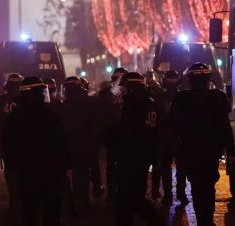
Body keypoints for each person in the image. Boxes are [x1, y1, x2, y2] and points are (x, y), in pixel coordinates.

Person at [169, 63, 234, 226]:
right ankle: (207, 219)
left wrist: (172, 149)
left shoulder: (182, 98)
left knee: (197, 186)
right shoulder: (218, 97)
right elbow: (225, 126)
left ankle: (201, 220)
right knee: (208, 186)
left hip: (190, 151)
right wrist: (230, 150)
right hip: (211, 152)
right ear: (208, 78)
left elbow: (173, 126)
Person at [2, 77, 69, 226]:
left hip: (26, 171)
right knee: (51, 210)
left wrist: (12, 166)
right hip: (49, 171)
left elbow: (7, 145)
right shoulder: (51, 115)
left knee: (29, 209)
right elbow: (61, 143)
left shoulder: (14, 118)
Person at [104, 72, 162, 226]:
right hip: (142, 155)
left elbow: (127, 131)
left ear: (131, 89)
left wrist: (109, 135)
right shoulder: (149, 103)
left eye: (124, 88)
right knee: (129, 199)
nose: (121, 91)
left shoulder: (133, 106)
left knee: (130, 197)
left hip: (131, 156)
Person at [60, 76, 98, 215]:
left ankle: (78, 201)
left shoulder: (66, 104)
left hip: (73, 143)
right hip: (86, 143)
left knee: (77, 173)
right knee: (83, 172)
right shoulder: (89, 101)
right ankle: (84, 200)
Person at [0, 73, 24, 206]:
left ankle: (15, 197)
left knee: (10, 171)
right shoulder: (28, 100)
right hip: (24, 143)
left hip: (7, 142)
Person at [155, 70, 187, 203]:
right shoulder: (183, 97)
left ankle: (169, 194)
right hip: (177, 136)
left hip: (165, 136)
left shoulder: (159, 97)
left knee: (166, 167)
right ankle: (180, 194)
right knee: (180, 168)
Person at [98, 68, 128, 205]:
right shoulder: (109, 94)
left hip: (116, 134)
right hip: (117, 134)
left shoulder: (107, 94)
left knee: (115, 166)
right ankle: (115, 193)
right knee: (117, 166)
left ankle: (115, 193)